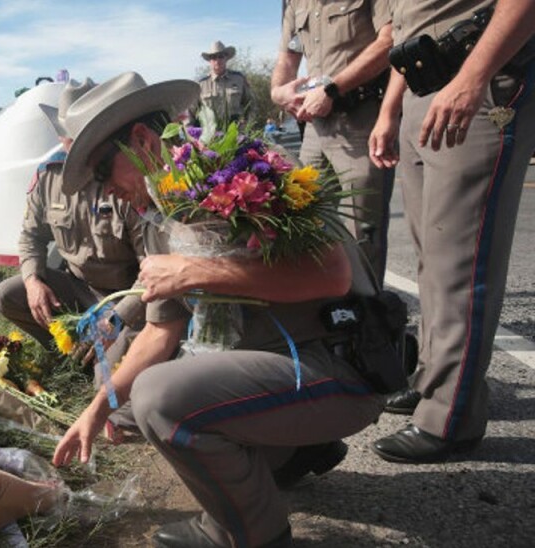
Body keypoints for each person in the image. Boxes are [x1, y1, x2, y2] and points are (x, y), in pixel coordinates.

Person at [51, 72, 384, 548]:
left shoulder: (248, 169)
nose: (106, 193)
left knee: (160, 399)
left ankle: (250, 534)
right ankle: (292, 453)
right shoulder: (162, 216)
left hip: (343, 364)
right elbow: (159, 334)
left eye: (104, 174)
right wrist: (95, 409)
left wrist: (193, 273)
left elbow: (331, 277)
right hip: (282, 369)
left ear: (143, 140)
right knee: (130, 410)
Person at [367, 0, 535, 463]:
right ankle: (432, 382)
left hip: (478, 83)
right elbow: (409, 30)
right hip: (421, 87)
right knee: (432, 259)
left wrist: (471, 79)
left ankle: (451, 419)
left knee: (462, 258)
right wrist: (390, 109)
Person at [0, 78, 147, 395]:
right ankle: (74, 354)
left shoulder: (128, 176)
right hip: (78, 289)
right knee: (8, 293)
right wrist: (34, 281)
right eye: (68, 136)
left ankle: (105, 355)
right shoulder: (49, 176)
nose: (73, 146)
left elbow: (151, 270)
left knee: (107, 391)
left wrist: (117, 320)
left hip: (126, 298)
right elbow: (30, 237)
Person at [271, 0, 395, 285]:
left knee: (362, 229)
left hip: (361, 119)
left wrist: (332, 88)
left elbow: (389, 40)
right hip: (315, 128)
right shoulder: (296, 3)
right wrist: (278, 92)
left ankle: (368, 315)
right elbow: (286, 59)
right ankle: (323, 309)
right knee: (303, 219)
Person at [198, 40, 254, 124]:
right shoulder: (201, 84)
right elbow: (190, 113)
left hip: (236, 131)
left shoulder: (239, 79)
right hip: (211, 132)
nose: (217, 60)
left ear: (226, 58)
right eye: (213, 57)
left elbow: (251, 105)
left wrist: (247, 125)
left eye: (220, 56)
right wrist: (192, 135)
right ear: (210, 61)